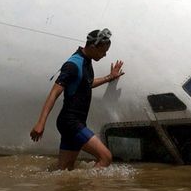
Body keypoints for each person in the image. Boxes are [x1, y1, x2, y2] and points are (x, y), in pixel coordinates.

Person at [30, 28, 124, 170]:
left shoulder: (87, 60)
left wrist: (109, 77)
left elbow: (86, 84)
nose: (105, 55)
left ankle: (44, 182)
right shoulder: (73, 65)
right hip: (71, 122)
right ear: (93, 47)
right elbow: (54, 93)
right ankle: (89, 185)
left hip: (75, 121)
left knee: (65, 169)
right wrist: (40, 123)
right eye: (103, 51)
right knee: (105, 157)